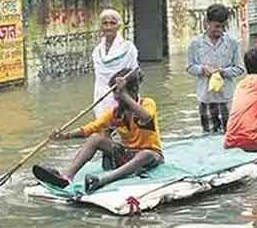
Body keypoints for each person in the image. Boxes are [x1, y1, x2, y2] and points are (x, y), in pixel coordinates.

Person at [33, 68, 163, 193]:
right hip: (127, 154)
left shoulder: (147, 103)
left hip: (151, 156)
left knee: (146, 154)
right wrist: (65, 136)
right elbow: (91, 128)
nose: (116, 97)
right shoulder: (116, 113)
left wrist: (123, 95)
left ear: (133, 90)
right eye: (115, 93)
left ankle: (102, 181)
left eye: (118, 93)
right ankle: (67, 177)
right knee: (95, 138)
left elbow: (145, 117)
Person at [186, 4, 245, 133]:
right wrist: (202, 70)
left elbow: (240, 69)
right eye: (217, 26)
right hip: (206, 98)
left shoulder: (232, 43)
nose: (220, 30)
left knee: (231, 135)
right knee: (209, 136)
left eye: (223, 26)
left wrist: (224, 72)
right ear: (207, 22)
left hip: (227, 98)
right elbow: (190, 67)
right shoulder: (195, 44)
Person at [91, 9, 139, 117]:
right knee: (102, 128)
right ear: (101, 26)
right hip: (101, 97)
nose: (108, 27)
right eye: (105, 23)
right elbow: (99, 79)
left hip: (122, 95)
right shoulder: (97, 51)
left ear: (118, 26)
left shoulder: (128, 48)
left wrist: (124, 90)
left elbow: (135, 74)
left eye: (112, 23)